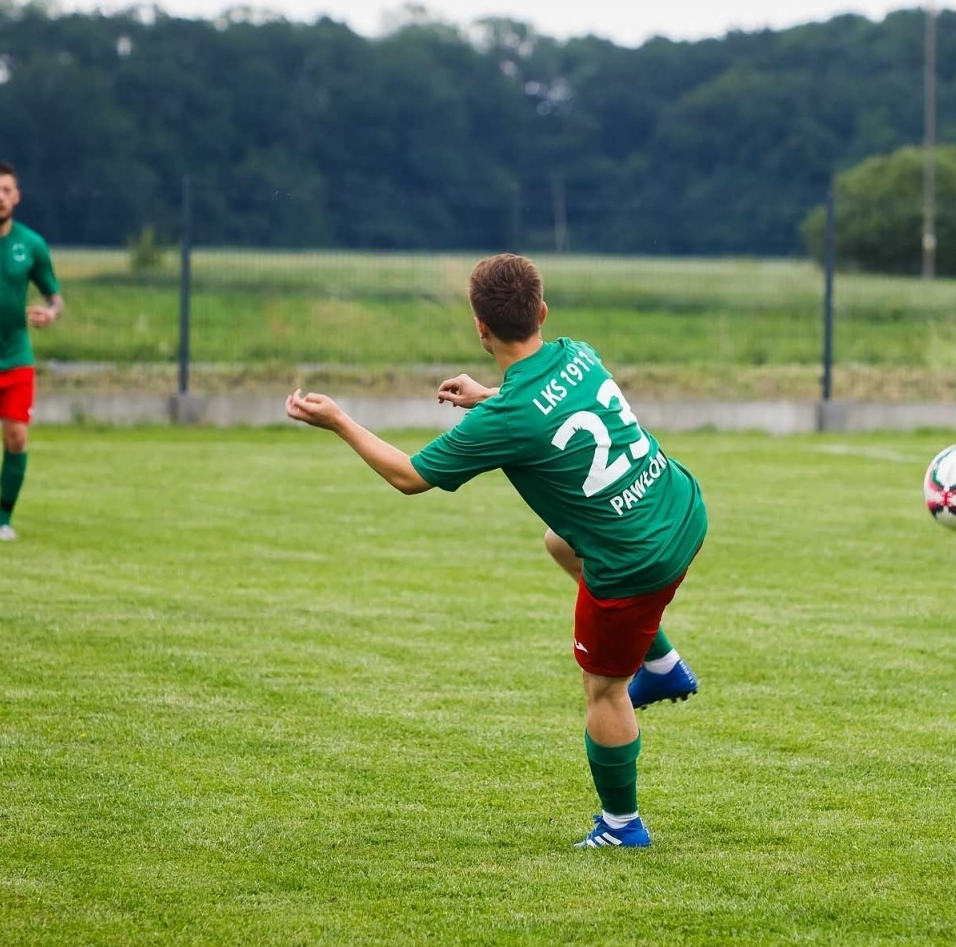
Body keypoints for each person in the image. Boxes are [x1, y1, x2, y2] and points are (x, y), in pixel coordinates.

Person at [285, 253, 705, 849]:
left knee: (605, 691)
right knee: (560, 542)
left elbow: (408, 476)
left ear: (480, 328)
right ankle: (662, 667)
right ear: (542, 311)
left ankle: (621, 827)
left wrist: (339, 420)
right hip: (681, 506)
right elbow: (550, 409)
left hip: (635, 561)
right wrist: (488, 396)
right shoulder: (579, 352)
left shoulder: (505, 417)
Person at [0, 162, 64, 541]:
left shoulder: (31, 245)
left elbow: (54, 296)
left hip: (16, 358)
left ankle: (2, 521)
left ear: (16, 197)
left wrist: (50, 312)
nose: (0, 197)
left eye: (6, 190)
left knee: (16, 439)